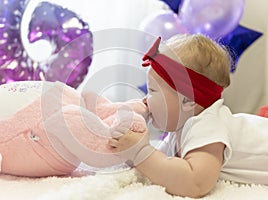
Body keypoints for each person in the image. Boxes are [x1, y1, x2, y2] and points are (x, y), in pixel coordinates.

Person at [108, 34, 268, 198]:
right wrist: (131, 144)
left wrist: (140, 151)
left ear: (188, 100)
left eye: (152, 91)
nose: (145, 100)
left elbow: (196, 183)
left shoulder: (207, 125)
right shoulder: (180, 128)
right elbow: (159, 166)